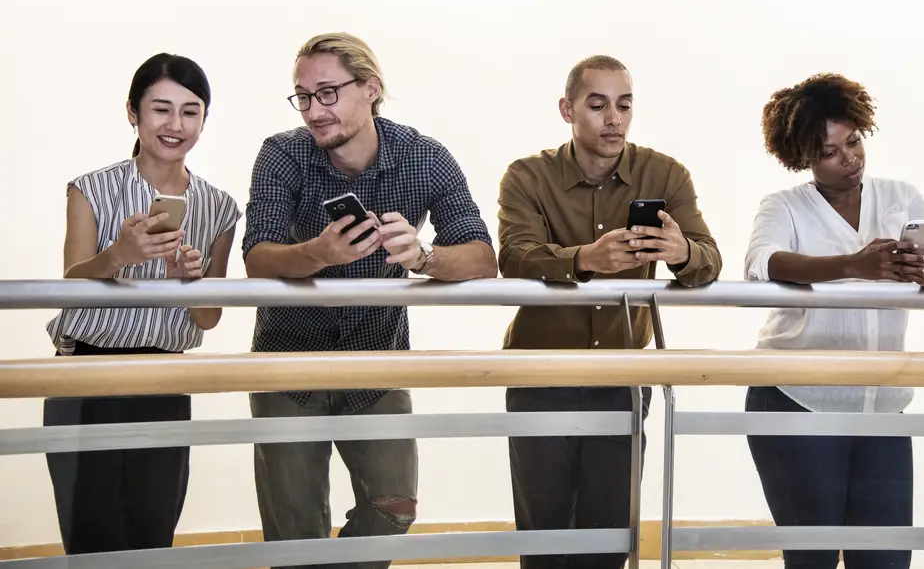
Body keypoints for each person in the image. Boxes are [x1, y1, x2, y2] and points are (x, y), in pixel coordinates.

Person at [242, 32, 496, 569]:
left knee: (395, 506)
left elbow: (480, 256)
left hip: (377, 361)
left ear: (372, 89)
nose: (315, 110)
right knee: (294, 535)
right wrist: (318, 253)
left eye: (328, 92)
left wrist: (425, 258)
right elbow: (257, 258)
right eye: (304, 96)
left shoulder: (424, 157)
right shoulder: (282, 153)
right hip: (289, 364)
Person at [497, 54, 722, 569]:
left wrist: (680, 252)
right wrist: (583, 259)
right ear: (567, 109)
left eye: (623, 105)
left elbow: (709, 259)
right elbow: (513, 254)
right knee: (543, 531)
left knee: (610, 530)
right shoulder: (528, 175)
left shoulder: (665, 173)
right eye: (597, 105)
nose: (613, 118)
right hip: (539, 372)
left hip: (623, 374)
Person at [743, 73, 924, 569]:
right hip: (796, 401)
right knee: (812, 560)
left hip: (882, 405)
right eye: (829, 151)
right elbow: (764, 262)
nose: (850, 159)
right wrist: (852, 266)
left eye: (855, 141)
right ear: (802, 156)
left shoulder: (899, 195)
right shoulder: (784, 206)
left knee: (886, 561)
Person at [43, 53, 241, 554]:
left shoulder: (219, 207)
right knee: (90, 532)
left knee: (152, 534)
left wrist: (187, 283)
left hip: (165, 380)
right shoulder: (90, 189)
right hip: (86, 376)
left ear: (203, 119)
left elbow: (208, 317)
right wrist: (118, 256)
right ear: (133, 112)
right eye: (160, 109)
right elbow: (70, 285)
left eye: (190, 111)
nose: (175, 125)